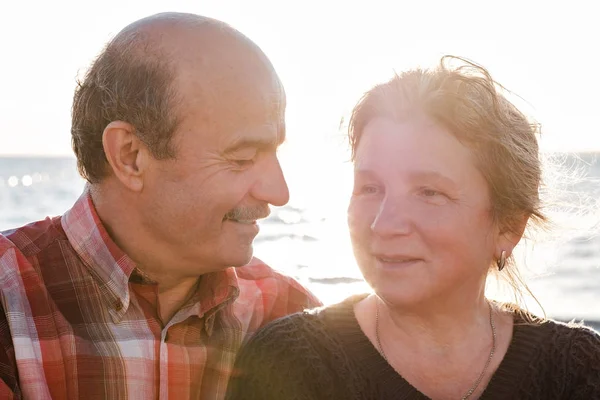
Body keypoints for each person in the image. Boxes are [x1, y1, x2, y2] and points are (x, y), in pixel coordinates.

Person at [225, 56, 600, 400]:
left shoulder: (577, 369)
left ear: (509, 226)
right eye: (370, 188)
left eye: (429, 192)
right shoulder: (292, 362)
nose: (383, 224)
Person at [0, 12, 321, 399]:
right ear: (131, 156)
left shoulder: (290, 316)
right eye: (242, 156)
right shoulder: (8, 300)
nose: (279, 192)